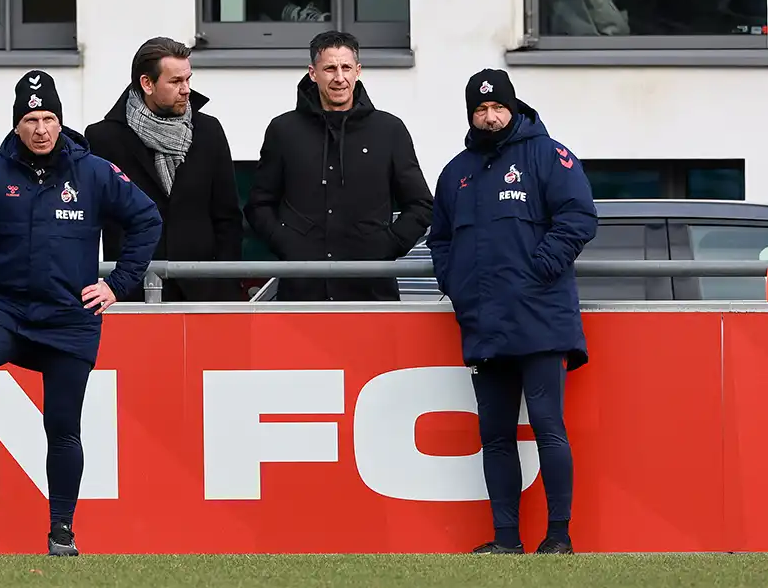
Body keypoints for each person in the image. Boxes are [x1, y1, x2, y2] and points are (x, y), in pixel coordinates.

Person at [0, 70, 162, 557]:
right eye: (30, 119)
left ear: (60, 122)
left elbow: (147, 218)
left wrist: (117, 284)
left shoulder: (94, 172)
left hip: (70, 322)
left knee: (62, 427)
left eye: (49, 119)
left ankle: (61, 531)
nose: (41, 129)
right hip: (8, 313)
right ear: (16, 125)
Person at [425, 68, 598, 555]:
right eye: (480, 109)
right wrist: (455, 284)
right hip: (484, 321)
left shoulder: (548, 155)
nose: (490, 116)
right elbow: (439, 240)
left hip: (540, 317)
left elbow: (580, 217)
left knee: (548, 426)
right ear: (471, 115)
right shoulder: (456, 171)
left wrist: (538, 268)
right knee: (495, 433)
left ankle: (559, 537)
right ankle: (506, 540)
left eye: (497, 106)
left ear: (513, 107)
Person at [243, 30, 433, 301]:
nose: (339, 78)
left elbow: (421, 205)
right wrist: (287, 244)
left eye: (346, 68)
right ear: (313, 73)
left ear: (358, 71)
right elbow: (259, 204)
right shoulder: (283, 131)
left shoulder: (389, 130)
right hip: (302, 295)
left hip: (371, 294)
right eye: (330, 68)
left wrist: (386, 246)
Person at [85, 37, 244, 302]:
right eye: (175, 82)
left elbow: (227, 217)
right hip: (131, 293)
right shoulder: (104, 138)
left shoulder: (208, 131)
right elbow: (92, 221)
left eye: (188, 79)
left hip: (203, 293)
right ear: (147, 83)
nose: (186, 90)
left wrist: (225, 286)